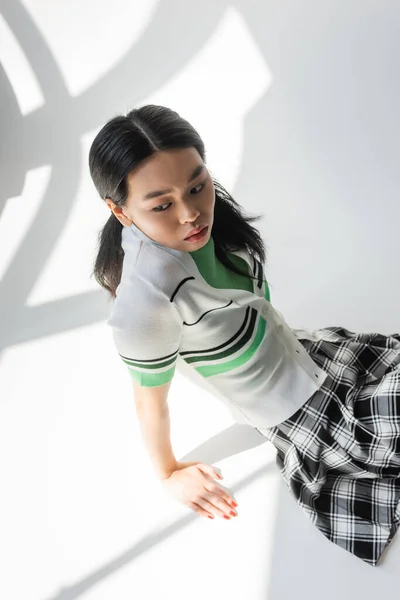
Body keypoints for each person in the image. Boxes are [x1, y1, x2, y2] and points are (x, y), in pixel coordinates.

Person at [88, 104, 400, 566]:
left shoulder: (211, 222)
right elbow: (147, 403)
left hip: (318, 355)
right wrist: (169, 473)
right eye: (162, 205)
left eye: (197, 185)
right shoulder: (145, 304)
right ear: (120, 210)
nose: (192, 213)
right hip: (307, 416)